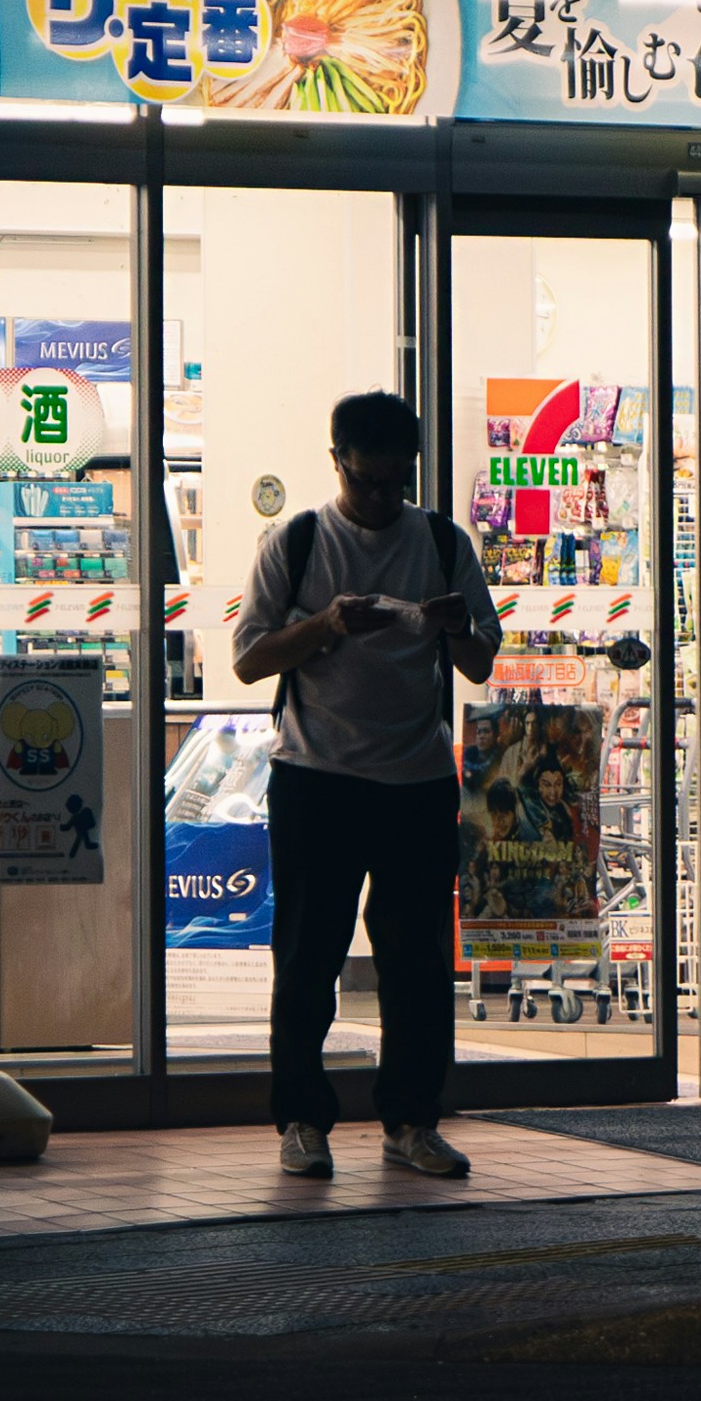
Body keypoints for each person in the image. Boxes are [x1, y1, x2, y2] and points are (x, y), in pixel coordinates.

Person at [227, 388, 499, 1178]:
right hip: (316, 776)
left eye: (396, 481)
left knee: (416, 963)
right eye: (367, 480)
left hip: (416, 779)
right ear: (336, 463)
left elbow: (481, 662)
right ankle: (303, 1123)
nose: (382, 498)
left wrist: (454, 626)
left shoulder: (445, 544)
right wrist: (329, 624)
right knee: (308, 957)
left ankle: (412, 1121)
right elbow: (249, 659)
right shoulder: (299, 541)